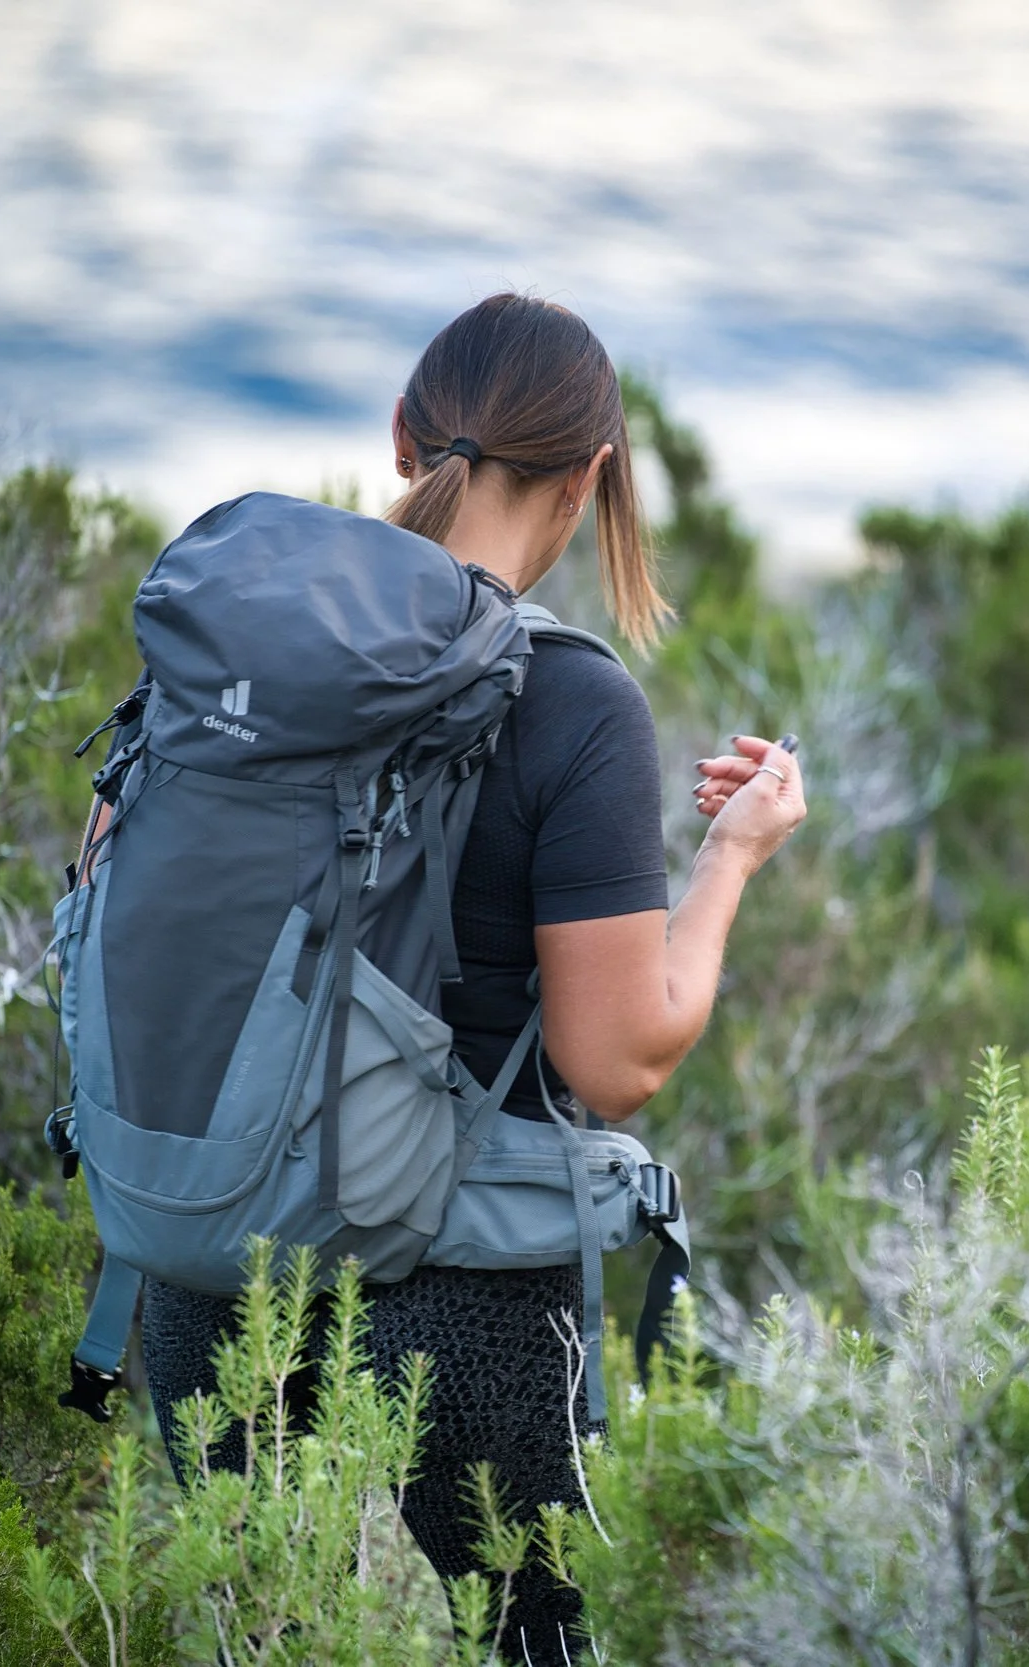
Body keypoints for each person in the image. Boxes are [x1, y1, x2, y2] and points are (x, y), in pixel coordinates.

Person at [138, 292, 806, 1659]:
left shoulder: (230, 647)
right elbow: (621, 1056)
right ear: (594, 478)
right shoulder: (574, 701)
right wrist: (730, 861)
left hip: (207, 1280)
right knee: (525, 1636)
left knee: (257, 1631)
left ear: (402, 436)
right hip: (465, 1308)